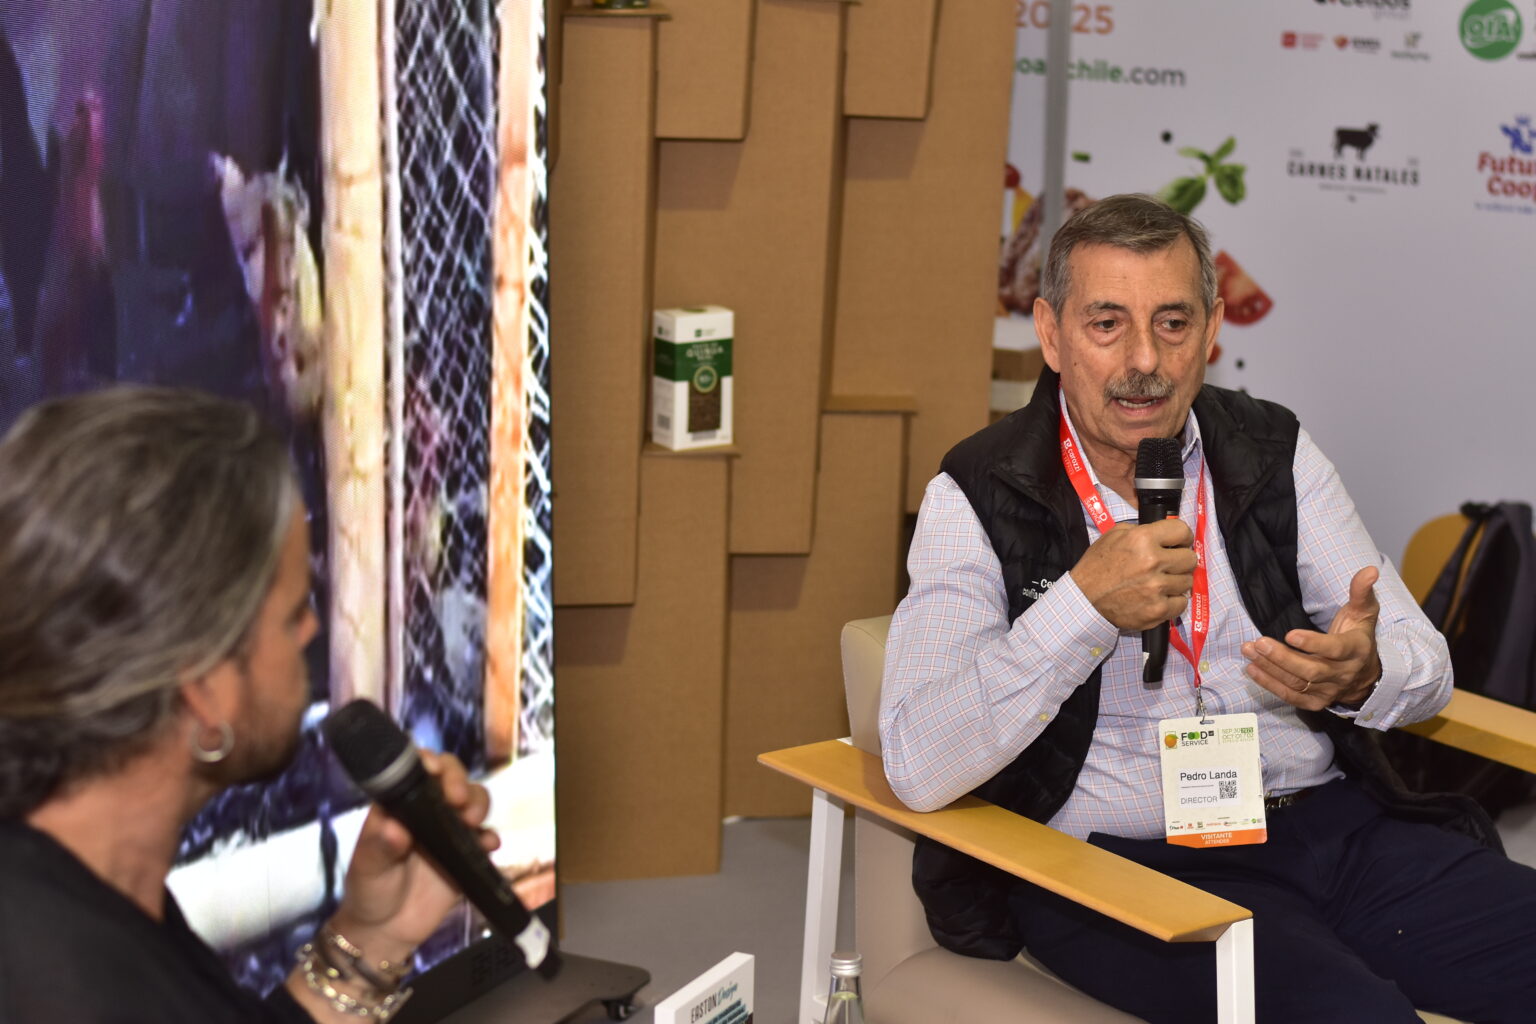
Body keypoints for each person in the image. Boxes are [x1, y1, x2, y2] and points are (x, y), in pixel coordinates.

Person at [879, 194, 1536, 1022]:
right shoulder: (977, 491)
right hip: (1124, 868)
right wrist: (1081, 606)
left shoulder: (1273, 451)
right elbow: (917, 762)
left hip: (1331, 827)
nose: (1144, 361)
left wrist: (1366, 674)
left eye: (1173, 323)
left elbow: (1425, 664)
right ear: (1050, 333)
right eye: (1107, 324)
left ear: (1213, 328)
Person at [0, 386, 496, 1022]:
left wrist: (376, 935)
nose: (311, 631)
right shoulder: (73, 988)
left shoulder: (83, 896)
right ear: (204, 690)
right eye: (292, 615)